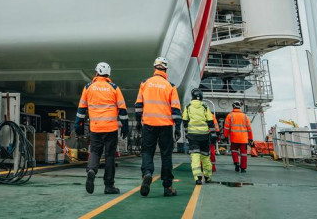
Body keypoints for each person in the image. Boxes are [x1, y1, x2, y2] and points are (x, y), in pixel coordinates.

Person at [74, 62, 129, 195]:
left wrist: (78, 125)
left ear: (96, 73)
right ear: (108, 74)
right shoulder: (114, 88)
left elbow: (81, 109)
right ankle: (109, 186)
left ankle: (91, 170)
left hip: (96, 127)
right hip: (111, 128)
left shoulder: (88, 87)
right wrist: (125, 126)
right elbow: (122, 109)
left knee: (95, 152)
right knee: (110, 156)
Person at [135, 56, 181, 197]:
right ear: (165, 69)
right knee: (166, 155)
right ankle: (167, 187)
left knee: (147, 152)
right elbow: (176, 109)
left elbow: (138, 105)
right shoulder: (170, 86)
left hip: (149, 124)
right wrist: (178, 127)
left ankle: (147, 174)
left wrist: (138, 122)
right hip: (166, 126)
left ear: (155, 68)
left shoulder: (145, 83)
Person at [182, 88, 214, 185]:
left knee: (195, 156)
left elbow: (185, 121)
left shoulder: (188, 107)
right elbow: (210, 121)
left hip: (193, 136)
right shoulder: (205, 106)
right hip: (204, 135)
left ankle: (198, 178)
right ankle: (208, 176)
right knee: (205, 156)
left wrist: (187, 133)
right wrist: (213, 134)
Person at [223, 101, 254, 173]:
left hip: (234, 138)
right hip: (243, 139)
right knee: (243, 154)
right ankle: (243, 168)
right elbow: (249, 129)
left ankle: (236, 163)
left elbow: (226, 128)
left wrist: (225, 136)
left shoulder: (230, 115)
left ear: (233, 106)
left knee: (234, 151)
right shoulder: (245, 116)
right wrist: (251, 138)